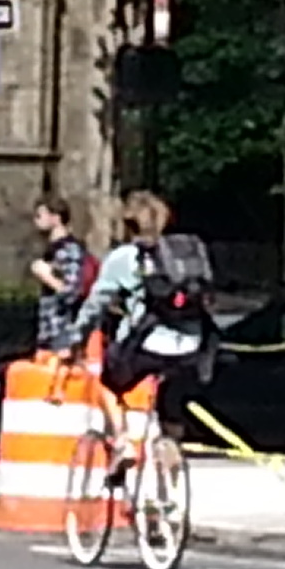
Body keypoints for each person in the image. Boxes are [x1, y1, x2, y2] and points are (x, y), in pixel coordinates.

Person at [55, 190, 220, 481]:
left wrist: (74, 339)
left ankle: (123, 444)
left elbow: (96, 304)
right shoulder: (183, 256)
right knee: (171, 403)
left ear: (129, 225)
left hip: (148, 342)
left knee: (107, 382)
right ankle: (170, 486)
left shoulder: (124, 258)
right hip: (193, 345)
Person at [29, 193, 93, 356]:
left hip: (63, 333)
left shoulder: (69, 250)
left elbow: (72, 292)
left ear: (55, 217)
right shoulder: (52, 249)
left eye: (40, 215)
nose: (36, 220)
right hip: (49, 331)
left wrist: (47, 276)